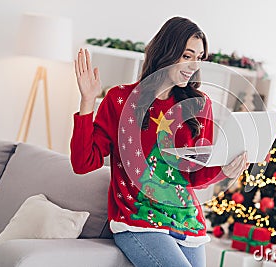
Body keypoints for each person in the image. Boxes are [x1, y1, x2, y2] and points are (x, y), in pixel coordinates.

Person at [70, 16, 248, 267]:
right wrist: (87, 102)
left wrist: (224, 171)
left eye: (199, 57)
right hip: (139, 222)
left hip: (187, 221)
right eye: (187, 56)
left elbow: (193, 176)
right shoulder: (120, 99)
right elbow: (83, 163)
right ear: (166, 52)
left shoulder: (199, 104)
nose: (193, 65)